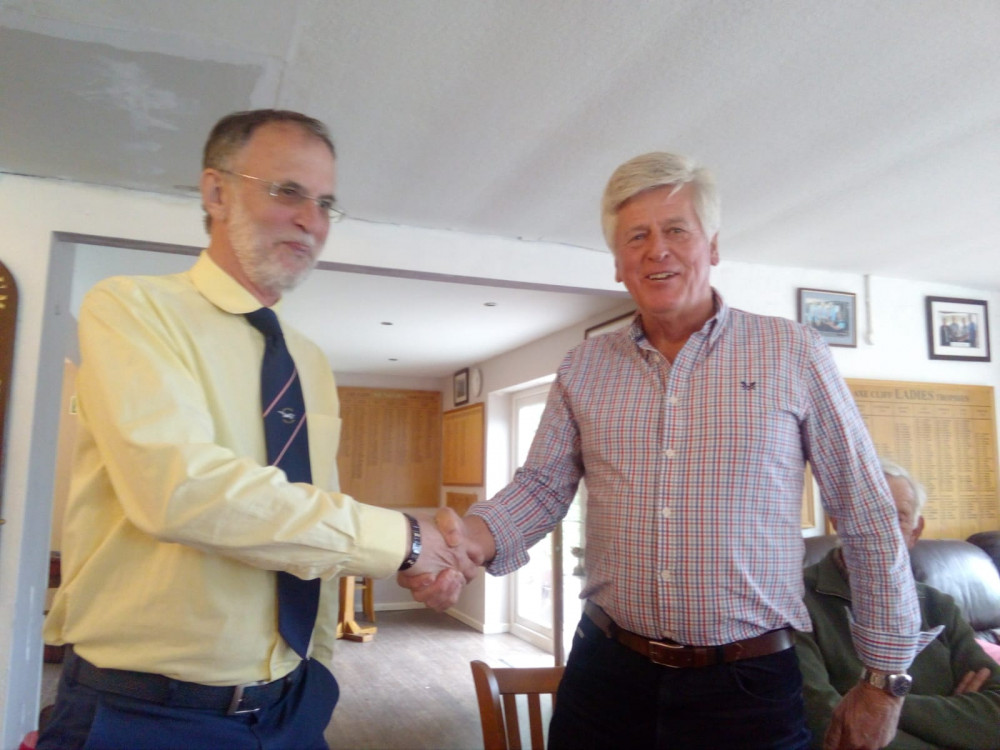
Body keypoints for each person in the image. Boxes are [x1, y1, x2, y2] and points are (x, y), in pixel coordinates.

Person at [402, 151, 932, 750]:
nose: (657, 249)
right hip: (607, 673)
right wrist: (464, 543)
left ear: (712, 246)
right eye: (637, 236)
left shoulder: (794, 351)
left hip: (748, 686)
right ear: (618, 263)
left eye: (676, 230)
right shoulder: (584, 366)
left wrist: (885, 680)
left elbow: (865, 510)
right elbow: (541, 488)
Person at [39, 109, 474, 750]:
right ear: (216, 192)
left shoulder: (311, 361)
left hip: (292, 708)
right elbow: (181, 491)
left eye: (326, 203)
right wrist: (402, 539)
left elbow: (309, 506)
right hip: (145, 716)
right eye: (288, 191)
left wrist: (318, 661)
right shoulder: (131, 308)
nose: (312, 220)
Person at [796, 460, 1000, 749]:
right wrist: (953, 711)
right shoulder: (796, 602)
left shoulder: (939, 606)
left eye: (899, 517)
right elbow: (832, 729)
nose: (883, 530)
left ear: (915, 531)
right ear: (840, 522)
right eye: (869, 515)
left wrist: (874, 705)